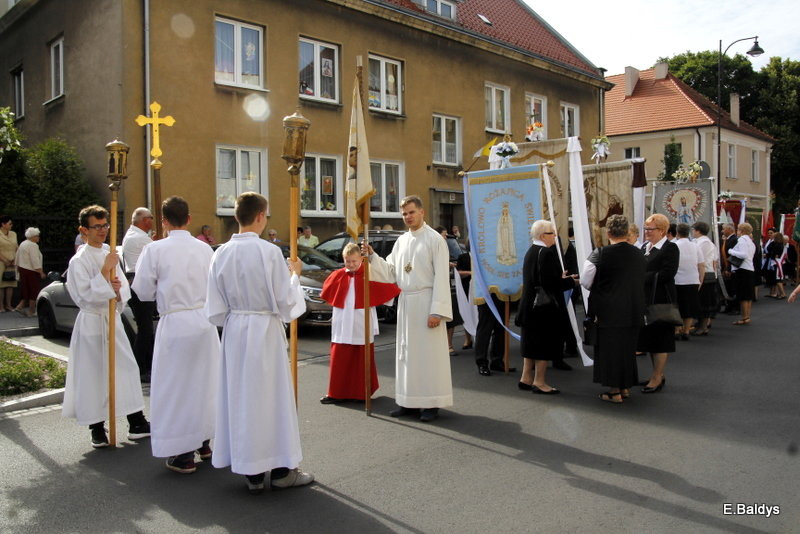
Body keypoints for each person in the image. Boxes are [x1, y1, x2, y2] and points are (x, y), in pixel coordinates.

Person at [205, 192, 313, 494]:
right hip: (264, 331)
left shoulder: (220, 253)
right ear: (261, 216)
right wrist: (295, 276)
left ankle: (250, 472)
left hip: (236, 329)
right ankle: (280, 471)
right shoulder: (268, 253)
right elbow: (285, 303)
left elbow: (214, 308)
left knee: (242, 400)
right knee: (271, 399)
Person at [132, 197, 220, 474]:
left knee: (176, 388)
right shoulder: (206, 250)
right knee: (204, 384)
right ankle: (204, 442)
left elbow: (143, 291)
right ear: (190, 218)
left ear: (164, 221)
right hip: (204, 322)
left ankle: (183, 454)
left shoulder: (154, 249)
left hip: (176, 322)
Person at [62, 205, 150, 448]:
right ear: (84, 230)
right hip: (92, 322)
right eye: (97, 227)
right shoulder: (78, 261)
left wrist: (117, 291)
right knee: (94, 374)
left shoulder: (111, 253)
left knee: (126, 368)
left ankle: (136, 421)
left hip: (111, 319)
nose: (102, 231)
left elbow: (121, 287)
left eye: (105, 226)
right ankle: (97, 427)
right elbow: (83, 295)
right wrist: (103, 272)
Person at [364, 195, 453, 423]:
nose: (408, 217)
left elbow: (443, 276)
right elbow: (391, 271)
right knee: (407, 355)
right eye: (404, 214)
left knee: (428, 357)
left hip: (426, 302)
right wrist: (373, 256)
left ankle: (430, 403)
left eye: (411, 212)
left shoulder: (435, 240)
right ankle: (408, 401)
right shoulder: (401, 241)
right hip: (407, 303)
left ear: (422, 212)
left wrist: (437, 310)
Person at [319, 243, 400, 404]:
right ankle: (335, 392)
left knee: (361, 357)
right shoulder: (337, 275)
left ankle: (361, 393)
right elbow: (327, 294)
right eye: (347, 261)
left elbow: (387, 285)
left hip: (361, 320)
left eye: (354, 261)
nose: (350, 265)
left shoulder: (369, 273)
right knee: (339, 357)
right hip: (342, 321)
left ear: (361, 259)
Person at [581, 215, 646, 403]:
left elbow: (586, 280)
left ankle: (615, 391)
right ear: (627, 233)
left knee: (610, 351)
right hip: (633, 308)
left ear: (608, 232)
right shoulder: (639, 254)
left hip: (608, 310)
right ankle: (625, 387)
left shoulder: (600, 253)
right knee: (627, 349)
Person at [516, 220, 580, 394]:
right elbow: (550, 283)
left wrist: (560, 278)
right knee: (543, 345)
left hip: (530, 304)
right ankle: (539, 381)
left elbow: (538, 278)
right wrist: (571, 281)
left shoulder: (531, 251)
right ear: (543, 236)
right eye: (553, 233)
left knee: (530, 343)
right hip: (543, 308)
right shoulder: (547, 253)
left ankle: (525, 377)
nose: (555, 236)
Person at [638, 213, 679, 393]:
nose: (646, 232)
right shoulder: (644, 247)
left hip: (661, 300)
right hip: (646, 299)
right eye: (645, 228)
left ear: (662, 231)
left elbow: (668, 273)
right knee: (651, 340)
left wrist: (640, 277)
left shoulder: (670, 248)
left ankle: (657, 376)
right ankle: (656, 374)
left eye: (650, 229)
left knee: (661, 340)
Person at [121, 207, 156, 382]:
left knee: (146, 328)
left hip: (136, 283)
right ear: (143, 221)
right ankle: (141, 367)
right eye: (150, 218)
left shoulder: (134, 235)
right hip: (139, 284)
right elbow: (158, 252)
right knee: (145, 329)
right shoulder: (139, 238)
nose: (152, 220)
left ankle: (145, 365)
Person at [673, 223, 704, 340]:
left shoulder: (674, 245)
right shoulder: (695, 246)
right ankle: (686, 331)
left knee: (677, 307)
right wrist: (701, 280)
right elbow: (701, 265)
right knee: (690, 307)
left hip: (677, 280)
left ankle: (677, 330)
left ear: (677, 233)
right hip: (692, 280)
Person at [691, 221, 719, 336]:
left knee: (704, 302)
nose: (692, 232)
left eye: (693, 230)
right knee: (700, 301)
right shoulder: (700, 242)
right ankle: (700, 324)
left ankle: (703, 327)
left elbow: (698, 258)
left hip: (706, 274)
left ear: (698, 230)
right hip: (703, 273)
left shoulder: (705, 243)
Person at [728, 222, 756, 325]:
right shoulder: (751, 242)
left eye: (738, 230)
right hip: (750, 268)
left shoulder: (742, 240)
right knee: (748, 295)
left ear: (742, 231)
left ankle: (744, 317)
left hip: (743, 269)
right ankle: (747, 316)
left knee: (743, 295)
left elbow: (743, 255)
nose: (737, 232)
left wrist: (731, 251)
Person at [13, 227, 45, 317]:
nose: (38, 237)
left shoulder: (23, 244)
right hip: (31, 271)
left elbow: (17, 257)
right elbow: (34, 260)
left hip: (22, 269)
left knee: (26, 289)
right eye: (37, 236)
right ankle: (31, 311)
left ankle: (20, 306)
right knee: (33, 290)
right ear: (32, 237)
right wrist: (40, 272)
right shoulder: (33, 245)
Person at [0, 215, 19, 312]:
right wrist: (5, 261)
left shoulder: (13, 234)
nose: (11, 225)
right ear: (3, 224)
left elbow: (17, 247)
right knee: (1, 285)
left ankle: (8, 305)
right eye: (9, 223)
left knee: (10, 284)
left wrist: (15, 259)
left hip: (12, 261)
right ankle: (1, 306)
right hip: (1, 262)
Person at [721, 223, 739, 313]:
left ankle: (734, 308)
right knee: (728, 288)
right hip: (727, 266)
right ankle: (729, 306)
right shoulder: (728, 239)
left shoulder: (734, 239)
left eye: (724, 229)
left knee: (732, 288)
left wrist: (729, 269)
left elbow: (732, 256)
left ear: (730, 229)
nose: (722, 231)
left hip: (731, 267)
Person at [770, 233, 788, 299]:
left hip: (778, 263)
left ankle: (783, 293)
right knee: (779, 279)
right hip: (780, 263)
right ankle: (781, 293)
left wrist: (773, 255)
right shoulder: (782, 245)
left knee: (778, 279)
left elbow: (775, 255)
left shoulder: (777, 245)